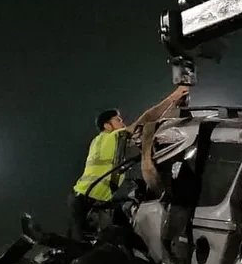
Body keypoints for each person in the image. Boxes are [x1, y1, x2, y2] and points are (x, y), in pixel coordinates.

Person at [70, 86, 189, 239]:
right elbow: (147, 119)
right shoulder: (114, 137)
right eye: (118, 121)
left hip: (83, 199)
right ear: (107, 126)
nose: (123, 124)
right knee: (116, 240)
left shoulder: (98, 141)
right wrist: (173, 97)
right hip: (90, 203)